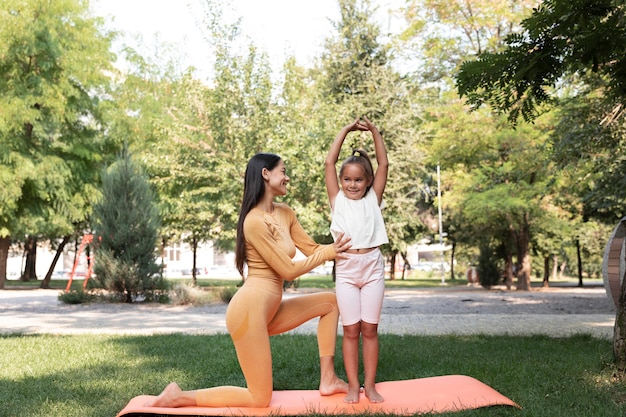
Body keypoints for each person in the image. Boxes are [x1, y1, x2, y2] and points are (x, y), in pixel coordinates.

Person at [147, 153, 351, 408]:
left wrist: (350, 246)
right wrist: (329, 252)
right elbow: (288, 270)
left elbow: (313, 249)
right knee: (260, 398)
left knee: (330, 303)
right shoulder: (253, 222)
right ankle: (179, 396)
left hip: (270, 309)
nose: (287, 177)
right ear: (266, 174)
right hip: (248, 311)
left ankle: (328, 378)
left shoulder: (286, 213)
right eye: (283, 171)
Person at [324, 117, 389, 404]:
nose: (352, 184)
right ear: (341, 181)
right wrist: (345, 130)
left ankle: (370, 385)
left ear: (368, 181)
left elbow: (384, 164)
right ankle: (353, 386)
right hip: (347, 269)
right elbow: (329, 163)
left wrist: (375, 131)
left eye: (358, 179)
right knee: (350, 330)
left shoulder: (373, 199)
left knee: (370, 329)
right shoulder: (337, 200)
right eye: (347, 179)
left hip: (372, 266)